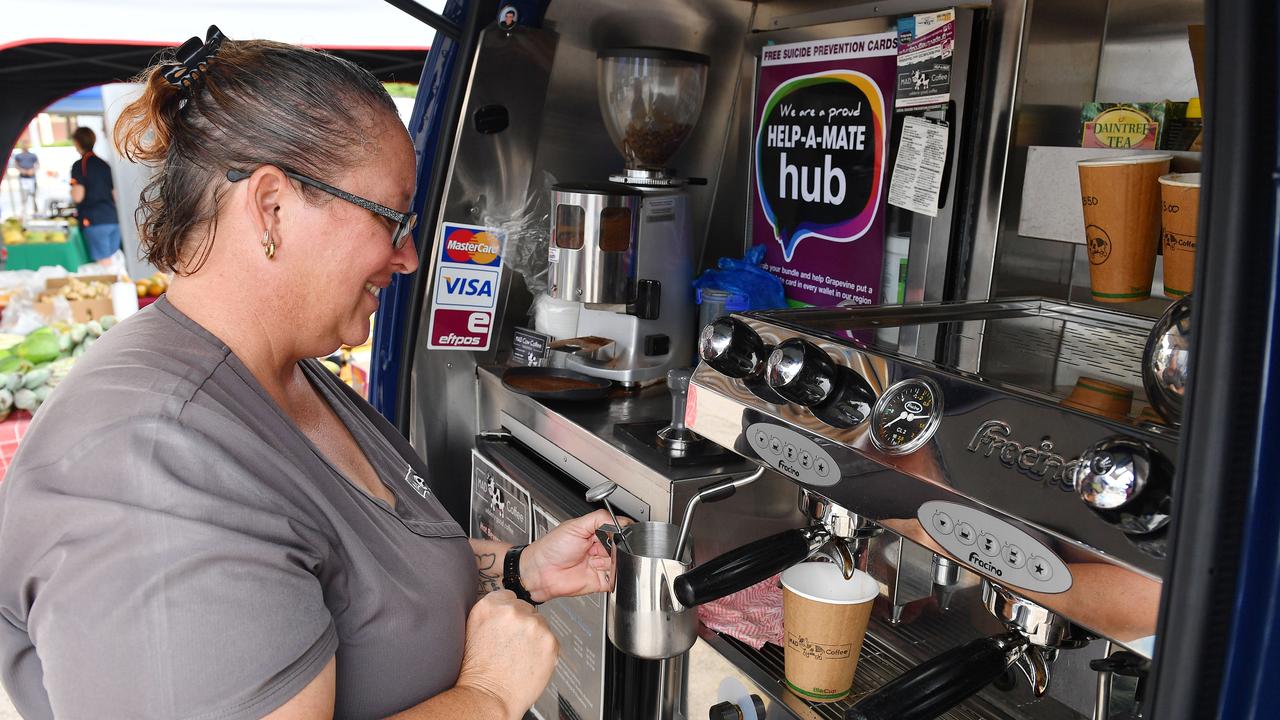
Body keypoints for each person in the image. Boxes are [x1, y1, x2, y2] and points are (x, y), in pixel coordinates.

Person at [0, 30, 613, 720]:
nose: (407, 257)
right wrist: (489, 694)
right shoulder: (148, 464)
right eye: (392, 220)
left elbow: (341, 571)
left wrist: (514, 570)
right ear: (273, 207)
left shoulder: (280, 373)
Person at [69, 126, 121, 259]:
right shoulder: (104, 164)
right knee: (115, 261)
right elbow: (116, 194)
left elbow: (78, 196)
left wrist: (72, 192)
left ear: (77, 143)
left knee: (104, 266)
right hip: (113, 219)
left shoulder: (79, 165)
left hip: (95, 221)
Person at [10, 141, 39, 217]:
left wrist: (32, 170)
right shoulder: (18, 156)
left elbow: (37, 164)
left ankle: (35, 210)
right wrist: (22, 170)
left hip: (32, 177)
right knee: (24, 195)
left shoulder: (32, 155)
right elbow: (16, 165)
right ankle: (24, 211)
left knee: (33, 194)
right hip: (23, 178)